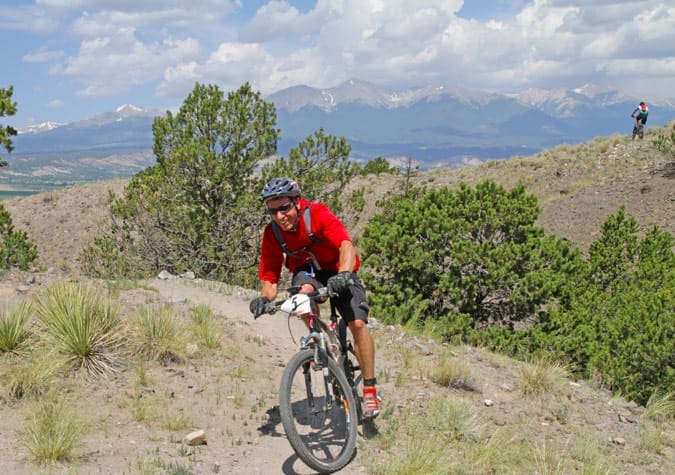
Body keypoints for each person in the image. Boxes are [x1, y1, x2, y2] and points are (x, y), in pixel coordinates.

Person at [249, 177, 380, 419]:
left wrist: (344, 274)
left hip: (339, 268)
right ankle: (318, 340)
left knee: (358, 324)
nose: (279, 216)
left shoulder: (317, 214)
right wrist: (264, 299)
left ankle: (370, 389)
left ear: (297, 202)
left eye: (284, 208)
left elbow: (345, 245)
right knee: (302, 296)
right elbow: (270, 277)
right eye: (272, 211)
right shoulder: (273, 234)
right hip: (308, 272)